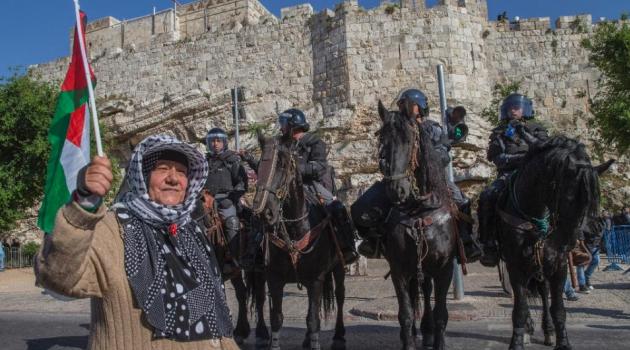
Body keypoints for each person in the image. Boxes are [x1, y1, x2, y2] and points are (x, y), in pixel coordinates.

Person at [35, 135, 238, 349]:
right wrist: (85, 202)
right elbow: (59, 279)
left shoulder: (192, 231)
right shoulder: (111, 229)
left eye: (181, 172)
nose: (173, 178)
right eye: (162, 169)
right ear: (142, 175)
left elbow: (214, 316)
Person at [351, 89, 482, 261]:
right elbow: (386, 152)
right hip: (399, 177)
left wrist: (426, 162)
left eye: (406, 104)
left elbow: (444, 154)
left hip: (432, 179)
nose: (402, 108)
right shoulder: (396, 127)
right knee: (362, 206)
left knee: (461, 200)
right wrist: (387, 165)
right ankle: (374, 240)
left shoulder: (432, 128)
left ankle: (466, 242)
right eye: (400, 104)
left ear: (419, 107)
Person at [277, 108, 359, 265]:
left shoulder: (314, 142)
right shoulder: (281, 144)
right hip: (284, 187)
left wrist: (296, 169)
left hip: (310, 185)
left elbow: (320, 166)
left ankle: (347, 246)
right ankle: (258, 253)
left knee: (336, 206)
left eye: (284, 124)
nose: (281, 128)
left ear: (293, 125)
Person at [478, 93, 549, 267]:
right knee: (487, 195)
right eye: (510, 107)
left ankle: (574, 241)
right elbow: (496, 157)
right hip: (508, 174)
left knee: (561, 193)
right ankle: (489, 244)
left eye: (516, 107)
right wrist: (519, 159)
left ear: (525, 109)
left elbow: (546, 151)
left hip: (535, 174)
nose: (513, 110)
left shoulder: (537, 129)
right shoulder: (499, 132)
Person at [202, 127, 250, 272]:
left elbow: (242, 183)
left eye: (218, 141)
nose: (215, 144)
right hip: (206, 201)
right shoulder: (204, 162)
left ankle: (234, 258)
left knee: (232, 222)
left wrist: (232, 197)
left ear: (224, 142)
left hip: (227, 200)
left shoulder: (232, 160)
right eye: (212, 141)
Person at [577, 210, 607, 292]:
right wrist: (581, 242)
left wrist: (601, 245)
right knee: (581, 264)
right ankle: (582, 285)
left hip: (594, 246)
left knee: (596, 261)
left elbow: (601, 233)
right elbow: (581, 229)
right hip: (583, 245)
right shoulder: (586, 219)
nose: (606, 214)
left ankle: (587, 277)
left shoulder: (603, 222)